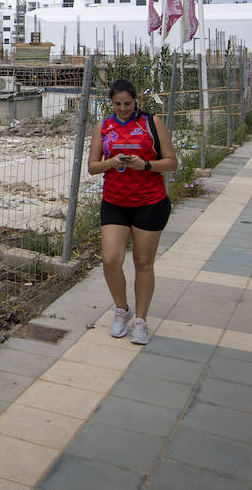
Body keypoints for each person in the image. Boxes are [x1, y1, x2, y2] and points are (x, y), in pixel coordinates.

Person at [87, 79, 177, 345]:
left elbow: (172, 162)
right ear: (111, 103)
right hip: (115, 201)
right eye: (117, 104)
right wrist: (111, 162)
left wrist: (145, 165)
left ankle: (141, 320)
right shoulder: (103, 127)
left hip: (150, 202)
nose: (123, 108)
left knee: (143, 262)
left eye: (128, 104)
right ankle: (121, 309)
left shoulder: (152, 123)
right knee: (110, 260)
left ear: (136, 100)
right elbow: (92, 167)